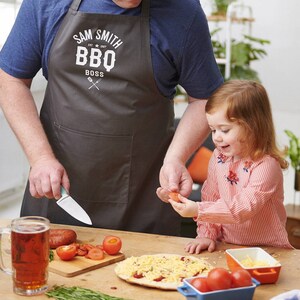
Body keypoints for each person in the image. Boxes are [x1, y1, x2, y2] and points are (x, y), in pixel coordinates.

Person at [0, 0, 223, 235]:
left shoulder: (183, 11)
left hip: (143, 202)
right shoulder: (46, 3)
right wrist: (40, 157)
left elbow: (205, 98)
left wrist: (176, 159)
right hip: (55, 193)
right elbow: (10, 79)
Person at [157, 80, 293, 248]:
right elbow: (211, 196)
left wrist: (198, 210)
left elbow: (243, 207)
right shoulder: (219, 158)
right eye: (213, 130)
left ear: (252, 127)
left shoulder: (266, 166)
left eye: (225, 130)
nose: (216, 137)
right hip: (227, 245)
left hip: (268, 250)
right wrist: (206, 235)